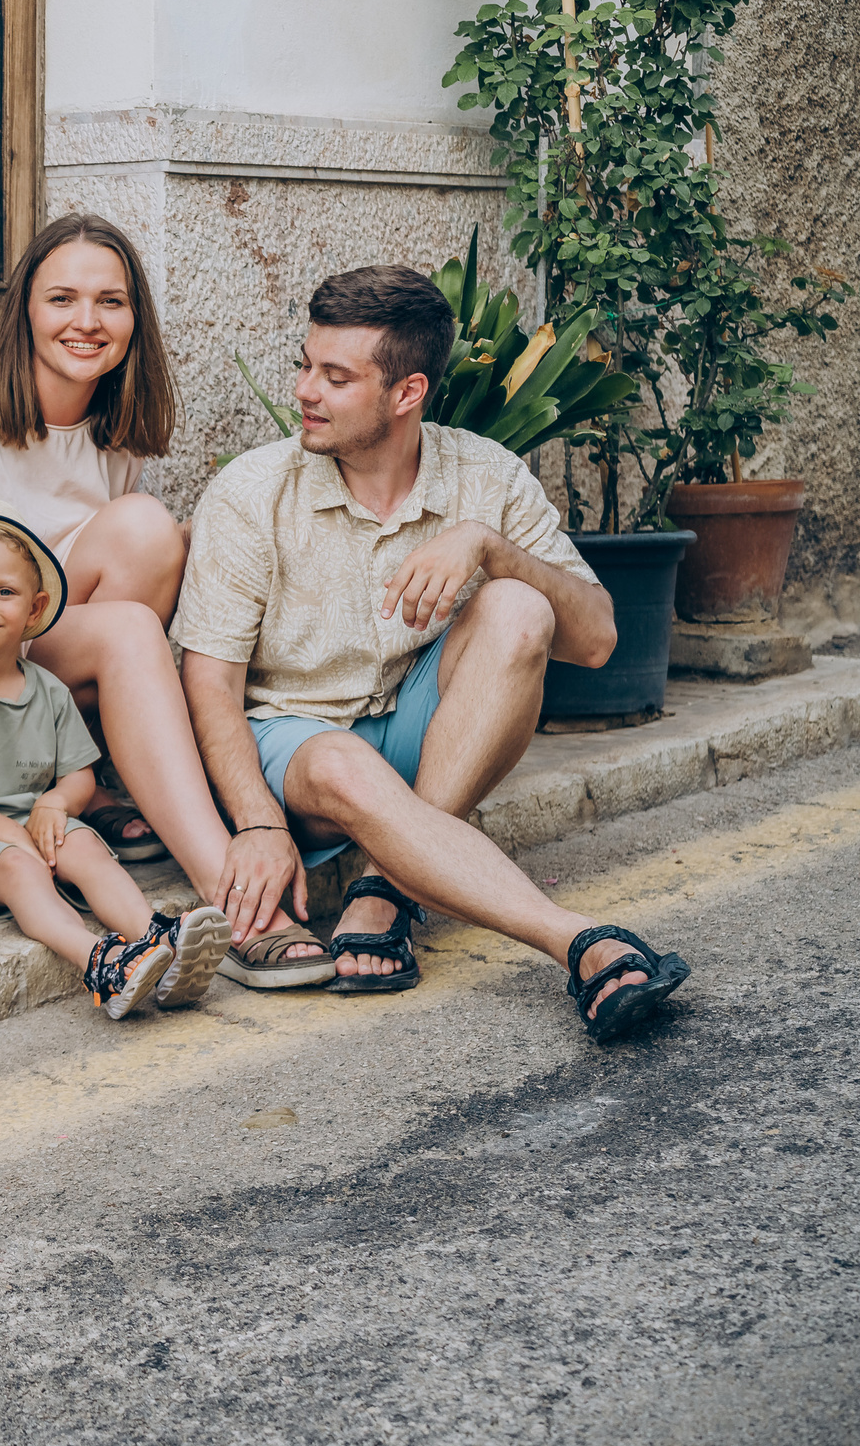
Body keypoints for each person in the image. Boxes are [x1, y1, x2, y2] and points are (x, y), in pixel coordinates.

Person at [172, 263, 692, 1037]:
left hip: (418, 735)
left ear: (406, 392)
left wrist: (491, 548)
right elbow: (208, 683)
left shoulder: (486, 475)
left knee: (519, 606)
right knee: (345, 762)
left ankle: (386, 884)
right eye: (305, 364)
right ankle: (576, 939)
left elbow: (597, 640)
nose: (305, 391)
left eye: (335, 376)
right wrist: (257, 824)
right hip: (298, 749)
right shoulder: (252, 493)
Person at [0, 213, 331, 988]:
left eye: (110, 302)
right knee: (128, 628)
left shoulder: (113, 432)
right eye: (63, 298)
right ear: (24, 306)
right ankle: (232, 890)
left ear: (135, 318)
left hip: (41, 675)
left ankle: (96, 786)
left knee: (153, 530)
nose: (87, 322)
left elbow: (122, 568)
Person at [0, 504, 233, 1019]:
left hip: (32, 822)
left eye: (3, 593)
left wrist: (56, 802)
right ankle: (100, 961)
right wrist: (15, 838)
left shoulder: (49, 690)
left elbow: (78, 772)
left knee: (85, 847)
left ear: (34, 611)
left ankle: (153, 938)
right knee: (18, 871)